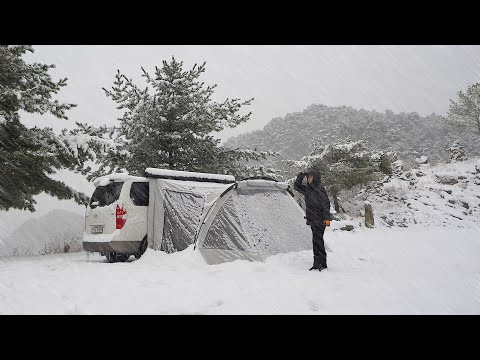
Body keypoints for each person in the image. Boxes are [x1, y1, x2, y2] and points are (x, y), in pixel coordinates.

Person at [294, 168, 332, 271]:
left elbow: (325, 204)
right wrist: (301, 175)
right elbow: (296, 186)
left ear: (315, 178)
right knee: (317, 242)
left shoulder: (320, 189)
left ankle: (320, 264)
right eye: (308, 177)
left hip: (320, 220)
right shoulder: (308, 189)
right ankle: (320, 263)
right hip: (313, 219)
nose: (309, 179)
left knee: (317, 242)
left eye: (310, 177)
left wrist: (327, 218)